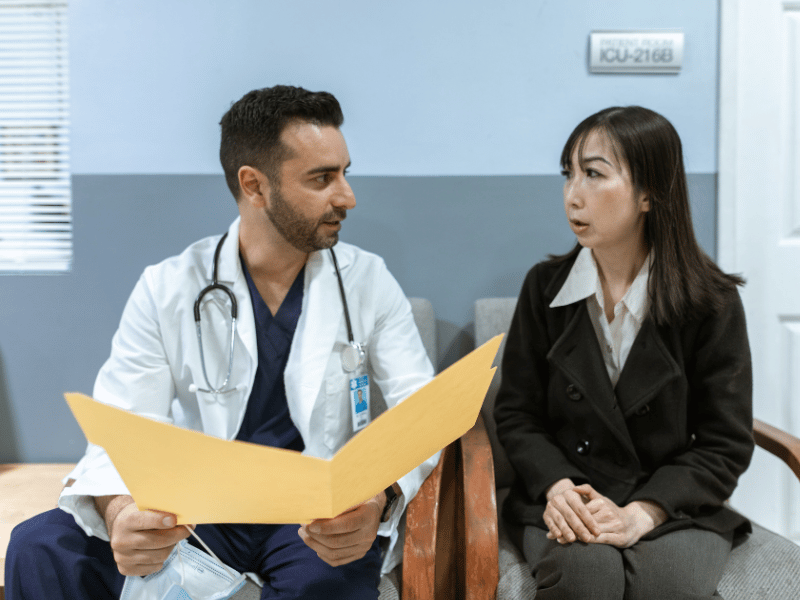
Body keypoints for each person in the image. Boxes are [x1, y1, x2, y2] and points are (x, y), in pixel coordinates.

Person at [6, 85, 437, 600]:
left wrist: (378, 498)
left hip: (310, 517)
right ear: (254, 185)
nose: (347, 196)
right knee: (39, 545)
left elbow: (421, 409)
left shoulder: (368, 280)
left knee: (323, 585)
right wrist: (120, 511)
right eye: (323, 178)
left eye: (345, 173)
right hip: (196, 508)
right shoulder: (169, 286)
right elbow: (121, 420)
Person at [493, 106, 754, 599]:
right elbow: (516, 414)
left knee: (668, 584)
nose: (573, 194)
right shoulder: (544, 289)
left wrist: (643, 512)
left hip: (672, 502)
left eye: (593, 174)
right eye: (569, 174)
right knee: (586, 576)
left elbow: (725, 441)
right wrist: (559, 488)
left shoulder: (711, 302)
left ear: (649, 194)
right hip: (571, 495)